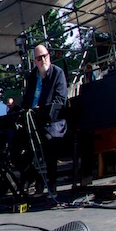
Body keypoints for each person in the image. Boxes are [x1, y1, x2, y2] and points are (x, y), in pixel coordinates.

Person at [19, 44, 67, 195]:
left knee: (48, 141)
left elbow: (60, 100)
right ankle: (37, 178)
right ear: (34, 61)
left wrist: (43, 110)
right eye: (39, 58)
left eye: (45, 56)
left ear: (49, 56)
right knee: (15, 147)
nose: (43, 60)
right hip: (33, 123)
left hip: (52, 122)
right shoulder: (32, 76)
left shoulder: (57, 73)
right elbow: (26, 101)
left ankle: (51, 183)